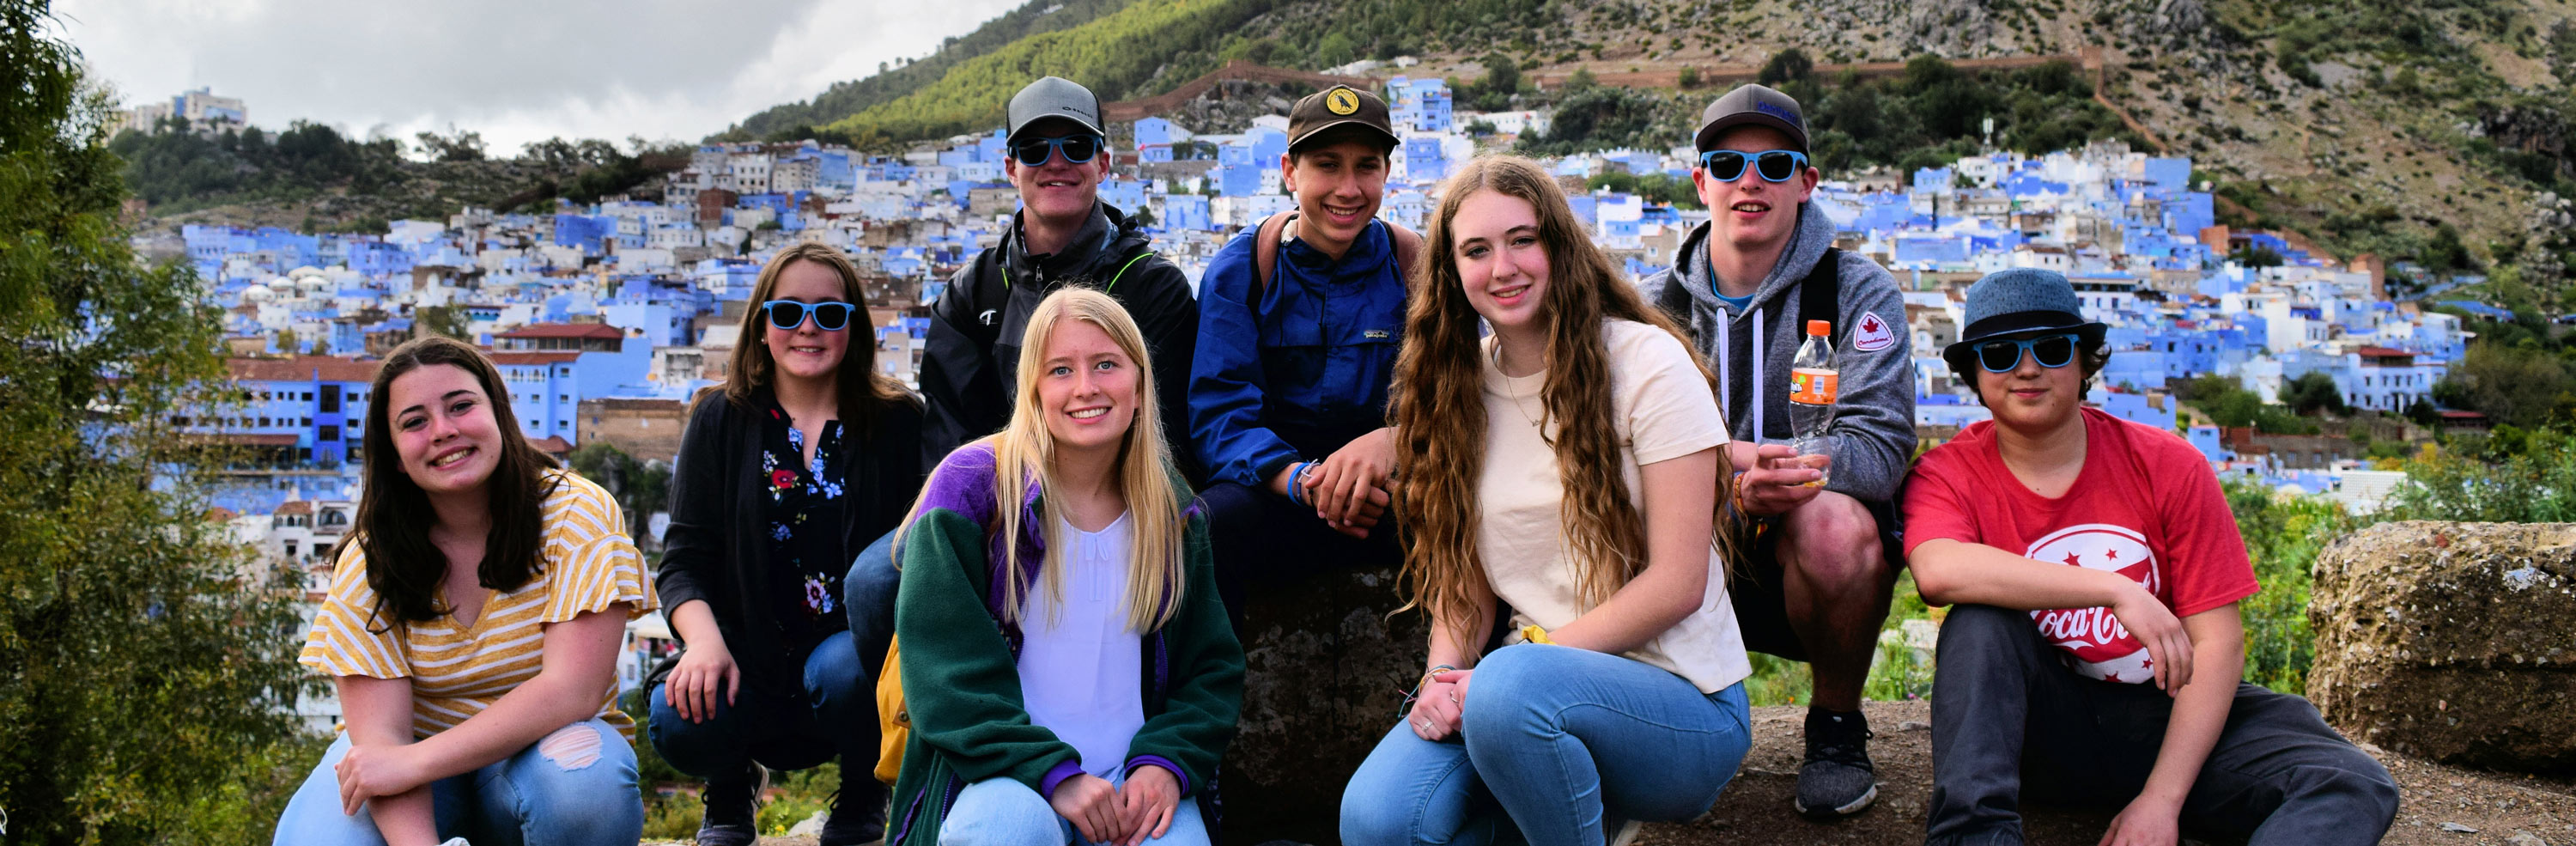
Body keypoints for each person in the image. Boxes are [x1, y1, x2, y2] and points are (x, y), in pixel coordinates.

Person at [1905, 269, 2399, 846]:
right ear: (1973, 373)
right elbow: (1940, 569)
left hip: (2168, 717)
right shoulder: (1948, 472)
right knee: (1980, 622)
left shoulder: (2168, 463)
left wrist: (2162, 798)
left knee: (2351, 781)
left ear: (2085, 361)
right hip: (2041, 726)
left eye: (2052, 347)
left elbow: (2217, 641)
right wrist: (2115, 589)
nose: (2027, 367)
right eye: (1999, 353)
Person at [1342, 155, 1753, 846]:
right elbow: (1463, 583)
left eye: (1522, 239)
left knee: (1509, 688)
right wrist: (1445, 676)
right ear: (1452, 271)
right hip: (1521, 705)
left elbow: (1679, 582)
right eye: (1476, 249)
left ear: (1558, 245)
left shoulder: (1648, 364)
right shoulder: (1458, 390)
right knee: (1379, 819)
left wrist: (1522, 666)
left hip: (1679, 700)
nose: (1502, 266)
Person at [1634, 82, 1915, 819]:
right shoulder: (1648, 305)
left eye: (1773, 164)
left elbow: (1880, 448)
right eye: (1726, 165)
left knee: (1839, 527)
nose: (1748, 181)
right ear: (1700, 182)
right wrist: (1727, 472)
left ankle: (1834, 724)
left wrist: (1775, 473)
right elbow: (1606, 443)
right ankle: (1653, 724)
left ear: (1806, 181)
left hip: (1801, 543)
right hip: (1686, 539)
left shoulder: (1858, 292)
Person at [885, 288, 1242, 846]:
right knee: (1003, 832)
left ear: (1141, 385)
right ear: (1032, 389)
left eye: (1106, 364)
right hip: (1004, 775)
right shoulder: (973, 490)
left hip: (1132, 780)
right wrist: (1057, 775)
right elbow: (945, 678)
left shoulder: (1171, 510)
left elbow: (1210, 669)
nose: (1086, 387)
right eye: (1060, 369)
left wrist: (1165, 763)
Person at [273, 336, 657, 846]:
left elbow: (573, 691)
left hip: (538, 759)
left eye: (460, 406)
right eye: (414, 422)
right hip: (416, 786)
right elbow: (381, 745)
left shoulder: (573, 514)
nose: (444, 431)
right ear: (392, 455)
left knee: (585, 785)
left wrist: (410, 762)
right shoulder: (372, 560)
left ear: (498, 412)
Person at [647, 244, 926, 846]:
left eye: (829, 313)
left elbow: (919, 552)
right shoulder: (719, 419)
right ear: (762, 325)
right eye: (788, 311)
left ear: (852, 325)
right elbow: (683, 560)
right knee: (678, 716)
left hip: (849, 668)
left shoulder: (898, 422)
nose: (807, 327)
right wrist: (702, 643)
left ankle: (862, 791)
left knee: (851, 669)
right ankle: (728, 792)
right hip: (743, 661)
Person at [1190, 83, 1419, 625]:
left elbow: (1456, 396)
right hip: (1280, 493)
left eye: (1366, 166)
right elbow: (1220, 413)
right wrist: (1301, 480)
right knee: (1209, 526)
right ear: (1290, 172)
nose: (1348, 187)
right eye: (1327, 165)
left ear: (1386, 174)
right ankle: (1200, 697)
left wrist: (1392, 442)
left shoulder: (1417, 268)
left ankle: (1472, 686)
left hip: (1387, 496)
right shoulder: (1243, 269)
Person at [919, 75, 1197, 472]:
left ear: (1102, 164)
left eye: (1076, 146)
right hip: (996, 511)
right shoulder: (972, 293)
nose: (1056, 162)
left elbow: (1165, 434)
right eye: (1034, 150)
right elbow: (950, 442)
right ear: (1012, 169)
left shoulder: (1150, 286)